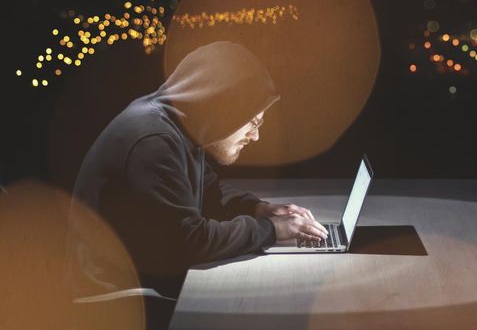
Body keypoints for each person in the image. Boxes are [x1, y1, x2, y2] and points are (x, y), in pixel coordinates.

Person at [66, 41, 327, 328]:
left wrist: (260, 210)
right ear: (222, 107)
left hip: (139, 285)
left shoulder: (176, 126)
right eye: (252, 122)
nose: (255, 137)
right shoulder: (153, 141)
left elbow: (210, 192)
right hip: (115, 303)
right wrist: (271, 230)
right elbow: (188, 242)